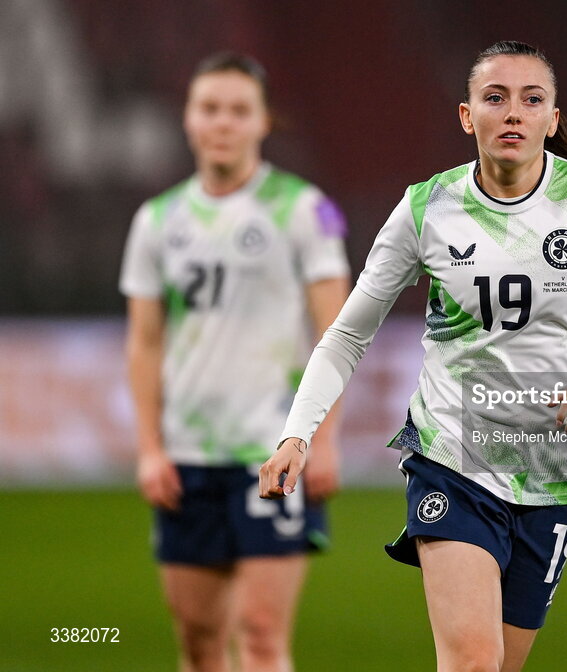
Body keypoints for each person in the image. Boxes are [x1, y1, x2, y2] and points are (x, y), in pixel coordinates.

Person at [260, 40, 567, 672]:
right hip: (452, 460)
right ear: (468, 116)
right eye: (495, 98)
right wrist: (297, 434)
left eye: (531, 99)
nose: (513, 113)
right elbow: (348, 333)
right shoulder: (424, 208)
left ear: (552, 117)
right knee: (471, 662)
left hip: (555, 470)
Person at [120, 52, 350, 672]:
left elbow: (338, 331)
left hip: (270, 450)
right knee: (197, 639)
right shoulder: (156, 221)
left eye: (238, 110)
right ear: (189, 120)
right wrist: (149, 447)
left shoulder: (304, 209)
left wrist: (321, 440)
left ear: (262, 122)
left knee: (259, 633)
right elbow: (144, 341)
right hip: (187, 456)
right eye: (210, 108)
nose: (223, 122)